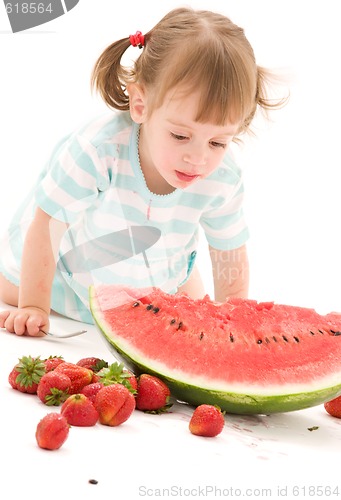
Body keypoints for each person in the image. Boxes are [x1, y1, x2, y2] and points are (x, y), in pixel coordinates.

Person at [0, 7, 285, 336]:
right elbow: (47, 223)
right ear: (140, 105)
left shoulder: (222, 179)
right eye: (180, 136)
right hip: (66, 278)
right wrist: (33, 305)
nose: (198, 159)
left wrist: (232, 329)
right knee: (10, 283)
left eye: (218, 142)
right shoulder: (98, 151)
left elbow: (229, 253)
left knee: (196, 314)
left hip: (161, 277)